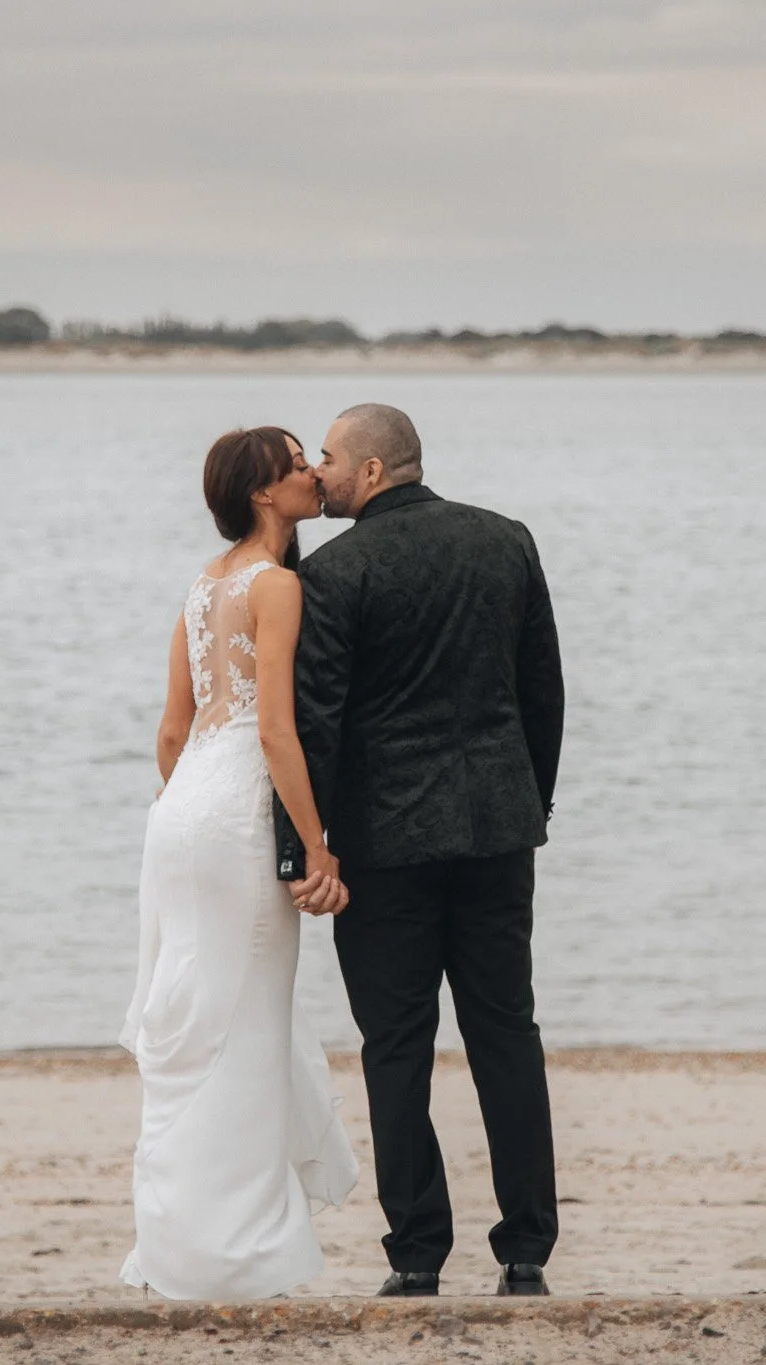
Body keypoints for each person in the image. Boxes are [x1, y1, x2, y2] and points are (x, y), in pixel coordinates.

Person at [286, 403, 565, 1297]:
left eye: (328, 456)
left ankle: (416, 1252)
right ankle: (526, 1249)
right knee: (506, 1033)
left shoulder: (334, 572)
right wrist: (534, 802)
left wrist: (307, 847)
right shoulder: (506, 540)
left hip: (384, 844)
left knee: (396, 1045)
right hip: (496, 830)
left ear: (370, 472)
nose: (319, 471)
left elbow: (316, 723)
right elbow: (543, 693)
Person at [118, 426, 359, 1300]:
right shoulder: (277, 585)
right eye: (297, 466)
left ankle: (176, 1240)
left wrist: (184, 800)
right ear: (264, 492)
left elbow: (173, 732)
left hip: (178, 818)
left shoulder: (198, 588)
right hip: (234, 820)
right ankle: (240, 1247)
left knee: (189, 1018)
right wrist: (319, 841)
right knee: (246, 1020)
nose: (308, 476)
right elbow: (274, 730)